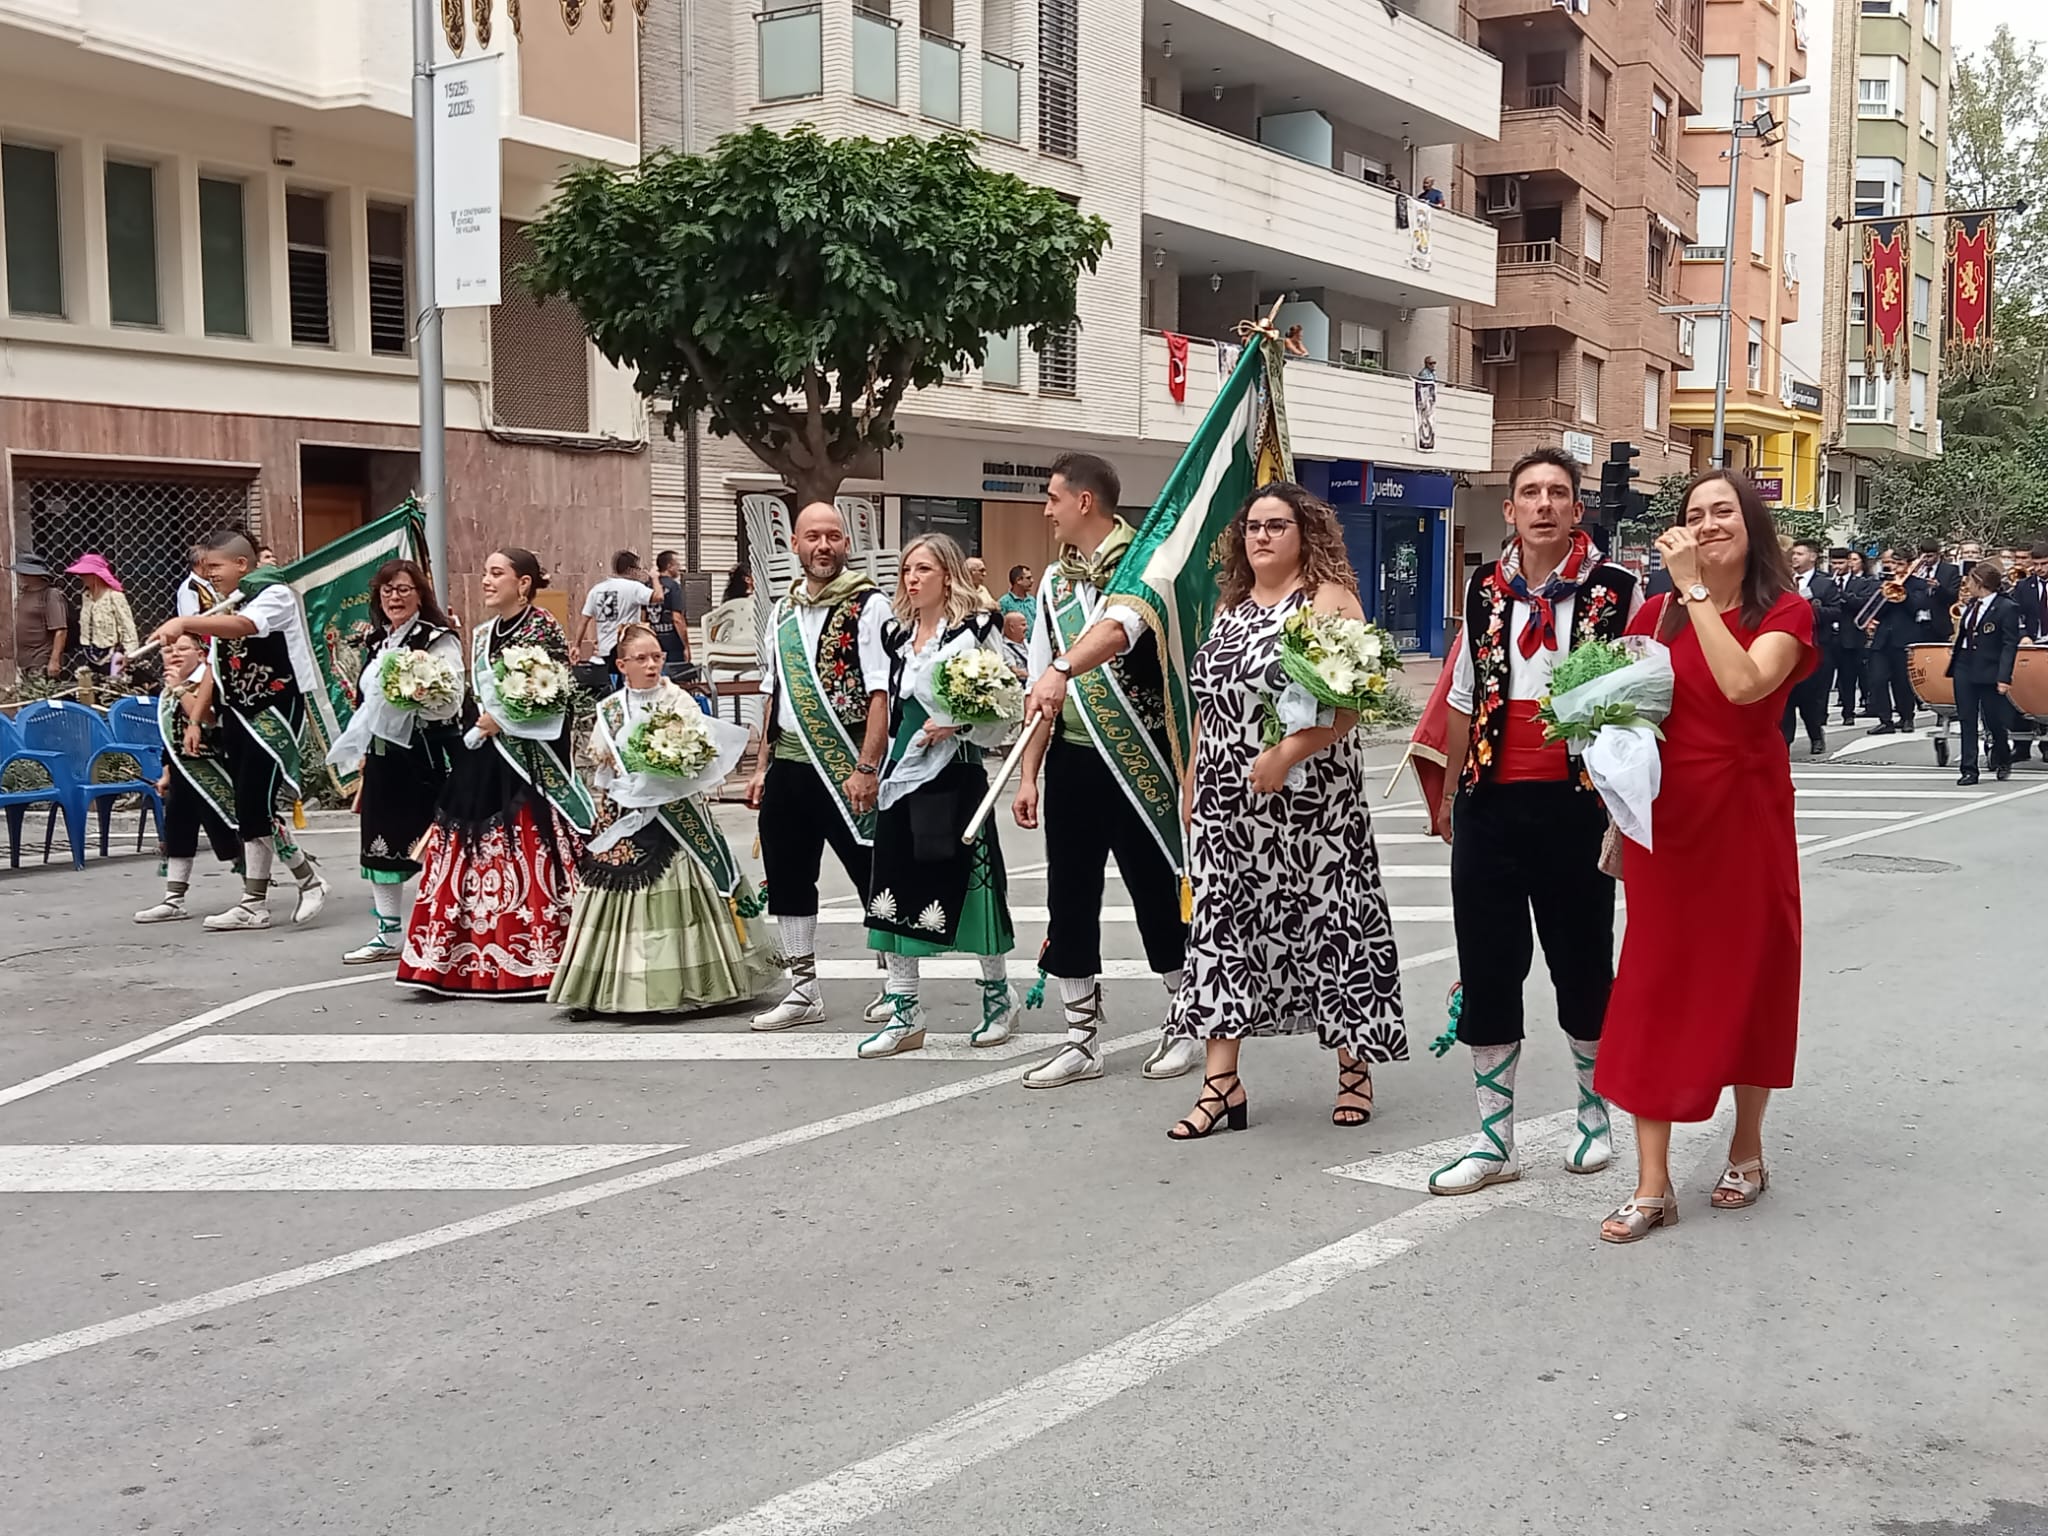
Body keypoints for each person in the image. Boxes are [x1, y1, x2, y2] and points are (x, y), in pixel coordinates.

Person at [1597, 470, 1813, 1243]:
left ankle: (1746, 1146)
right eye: (1695, 514)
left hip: (1746, 818)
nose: (1709, 522)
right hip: (1668, 823)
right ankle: (1652, 1183)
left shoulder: (1784, 611)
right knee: (1654, 983)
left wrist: (1692, 591)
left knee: (1753, 973)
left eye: (1723, 511)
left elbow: (1744, 685)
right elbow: (1629, 707)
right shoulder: (1654, 615)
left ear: (1750, 525)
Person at [1163, 484, 1408, 1139]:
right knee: (1220, 932)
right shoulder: (1231, 607)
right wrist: (1192, 776)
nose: (1263, 536)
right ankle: (1222, 1085)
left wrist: (1288, 753)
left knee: (1333, 925)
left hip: (1312, 803)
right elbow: (1212, 706)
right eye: (1253, 527)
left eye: (1278, 525)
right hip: (1225, 799)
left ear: (1305, 533)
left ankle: (1354, 1068)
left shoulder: (1329, 601)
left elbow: (1351, 705)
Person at [1429, 447, 1642, 1196]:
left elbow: (1640, 695)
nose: (1543, 504)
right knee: (1489, 967)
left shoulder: (1618, 587)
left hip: (1577, 805)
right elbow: (1463, 692)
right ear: (1511, 509)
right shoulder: (1482, 588)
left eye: (1558, 492)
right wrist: (1451, 793)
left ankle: (1594, 1111)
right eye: (1529, 493)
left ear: (1578, 509)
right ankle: (1494, 1140)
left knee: (1581, 963)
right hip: (1491, 800)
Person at [1015, 452, 1203, 1088]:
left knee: (1156, 890)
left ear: (1084, 502)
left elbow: (1119, 633)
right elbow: (1043, 687)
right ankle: (1080, 1036)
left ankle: (1186, 1019)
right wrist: (1027, 773)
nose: (1046, 510)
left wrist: (1064, 668)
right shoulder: (1053, 585)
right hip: (1073, 759)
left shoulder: (1146, 565)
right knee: (1069, 895)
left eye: (1052, 497)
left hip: (1140, 760)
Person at [549, 625, 777, 1016]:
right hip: (630, 815)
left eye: (656, 656)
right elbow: (605, 769)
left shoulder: (680, 700)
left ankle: (699, 982)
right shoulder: (610, 710)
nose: (652, 664)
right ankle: (617, 987)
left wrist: (674, 762)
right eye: (641, 658)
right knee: (619, 897)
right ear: (622, 665)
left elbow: (701, 750)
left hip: (679, 814)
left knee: (693, 892)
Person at [397, 548, 594, 997]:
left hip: (529, 764)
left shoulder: (543, 627)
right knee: (469, 849)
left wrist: (502, 720)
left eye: (496, 573)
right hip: (486, 757)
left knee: (528, 850)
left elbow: (553, 698)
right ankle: (461, 959)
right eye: (485, 573)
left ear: (523, 583)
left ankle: (535, 958)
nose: (486, 581)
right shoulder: (484, 635)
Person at [857, 535, 1022, 1058]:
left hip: (957, 770)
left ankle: (999, 995)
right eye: (906, 569)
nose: (911, 578)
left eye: (923, 568)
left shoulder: (976, 631)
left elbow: (1006, 704)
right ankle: (905, 1009)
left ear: (947, 575)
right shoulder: (896, 634)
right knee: (893, 884)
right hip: (904, 771)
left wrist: (963, 722)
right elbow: (885, 702)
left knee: (972, 885)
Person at [746, 503, 895, 1032]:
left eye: (833, 535)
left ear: (847, 542)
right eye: (813, 536)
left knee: (873, 877)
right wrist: (761, 766)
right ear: (795, 543)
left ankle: (897, 988)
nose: (824, 545)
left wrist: (868, 766)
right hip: (789, 765)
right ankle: (803, 989)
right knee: (789, 878)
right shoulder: (782, 612)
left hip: (849, 765)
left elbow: (882, 691)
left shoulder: (870, 605)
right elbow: (773, 693)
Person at [144, 529, 329, 931]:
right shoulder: (227, 604)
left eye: (215, 566)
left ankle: (266, 898)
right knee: (247, 807)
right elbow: (215, 666)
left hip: (272, 713)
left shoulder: (274, 595)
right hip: (237, 713)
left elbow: (248, 626)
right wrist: (196, 719)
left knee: (252, 803)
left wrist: (184, 620)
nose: (208, 574)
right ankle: (287, 888)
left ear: (242, 565)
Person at [327, 559, 465, 965]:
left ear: (420, 594)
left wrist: (420, 694)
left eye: (404, 589)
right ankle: (388, 932)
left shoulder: (437, 639)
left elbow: (452, 698)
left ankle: (450, 929)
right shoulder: (377, 642)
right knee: (380, 840)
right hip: (385, 756)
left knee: (439, 842)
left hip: (428, 753)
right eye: (387, 590)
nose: (394, 597)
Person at [133, 632, 245, 923]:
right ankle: (174, 898)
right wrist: (166, 772)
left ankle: (254, 891)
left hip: (213, 769)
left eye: (183, 648)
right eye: (168, 650)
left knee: (226, 831)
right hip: (183, 770)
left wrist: (180, 690)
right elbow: (171, 735)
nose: (174, 654)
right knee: (177, 830)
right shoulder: (169, 687)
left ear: (200, 652)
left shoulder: (208, 681)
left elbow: (207, 719)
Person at [1947, 560, 2022, 786]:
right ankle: (1969, 769)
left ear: (1980, 583)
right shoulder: (1972, 605)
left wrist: (2004, 676)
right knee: (1966, 717)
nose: (1967, 584)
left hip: (1989, 668)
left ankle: (2002, 754)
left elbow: (2010, 644)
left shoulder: (2006, 607)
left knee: (1993, 719)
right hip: (1965, 665)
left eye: (1970, 580)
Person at [1780, 538, 1840, 755]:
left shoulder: (1824, 583)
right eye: (1793, 554)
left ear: (1813, 557)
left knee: (1809, 699)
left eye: (1800, 554)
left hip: (1814, 646)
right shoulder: (1782, 580)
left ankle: (1816, 735)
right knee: (1785, 698)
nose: (1795, 557)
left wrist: (1813, 610)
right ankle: (1784, 741)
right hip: (1785, 648)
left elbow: (1837, 612)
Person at [1860, 547, 1924, 735]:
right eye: (1893, 564)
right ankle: (1885, 720)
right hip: (1882, 639)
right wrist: (1885, 594)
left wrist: (1903, 593)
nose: (1896, 568)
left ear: (1909, 565)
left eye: (1900, 564)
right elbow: (1876, 611)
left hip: (1905, 637)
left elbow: (1917, 609)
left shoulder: (1918, 584)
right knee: (1877, 679)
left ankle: (1906, 718)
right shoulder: (1884, 582)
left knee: (1902, 682)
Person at [575, 551, 654, 681]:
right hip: (626, 649)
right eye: (638, 568)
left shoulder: (597, 589)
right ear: (630, 569)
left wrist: (577, 646)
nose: (639, 571)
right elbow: (658, 597)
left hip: (604, 650)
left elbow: (584, 620)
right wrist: (655, 578)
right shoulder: (634, 587)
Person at [67, 553, 138, 676]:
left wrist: (129, 654)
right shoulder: (86, 597)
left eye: (85, 574)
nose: (82, 577)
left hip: (112, 655)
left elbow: (128, 627)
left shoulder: (114, 597)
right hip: (90, 654)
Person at [12, 554, 68, 681]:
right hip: (24, 660)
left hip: (41, 659)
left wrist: (54, 660)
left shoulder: (50, 595)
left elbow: (60, 630)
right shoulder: (23, 594)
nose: (22, 576)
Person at [649, 550, 694, 677]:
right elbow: (677, 618)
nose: (680, 568)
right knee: (675, 681)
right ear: (669, 566)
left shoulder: (648, 585)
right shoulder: (674, 587)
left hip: (653, 640)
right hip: (672, 643)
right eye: (677, 565)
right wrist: (686, 646)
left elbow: (642, 616)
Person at [175, 548, 219, 618]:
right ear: (201, 562)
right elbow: (191, 619)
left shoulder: (210, 584)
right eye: (210, 563)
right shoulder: (189, 588)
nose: (213, 567)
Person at [999, 566, 1037, 631]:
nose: (1032, 581)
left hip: (1033, 640)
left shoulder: (1032, 600)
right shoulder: (1004, 602)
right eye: (1028, 578)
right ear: (1018, 580)